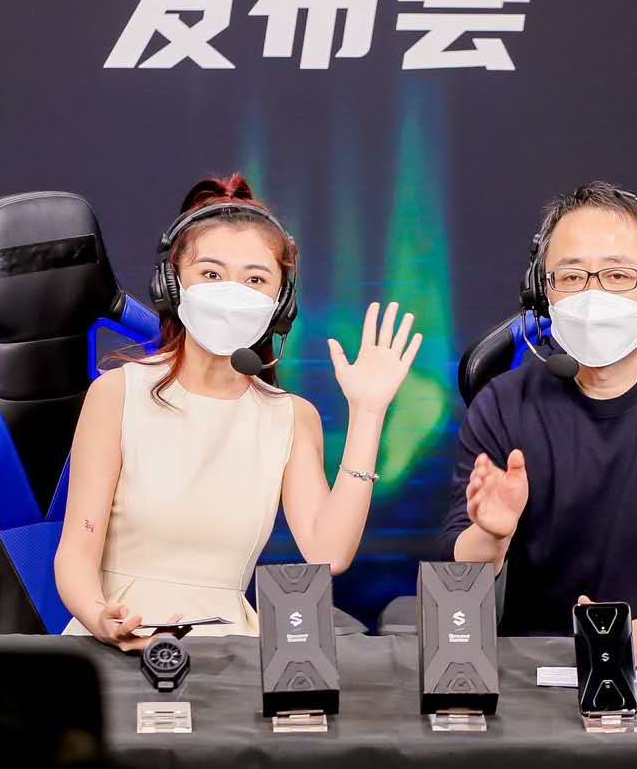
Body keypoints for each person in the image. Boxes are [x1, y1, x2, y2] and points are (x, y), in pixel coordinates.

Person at [55, 174, 421, 649]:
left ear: (280, 304)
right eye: (211, 274)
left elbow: (329, 553)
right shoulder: (117, 393)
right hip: (113, 644)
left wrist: (368, 414)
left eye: (255, 279)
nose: (232, 292)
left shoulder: (291, 417)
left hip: (228, 651)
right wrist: (101, 617)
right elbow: (75, 554)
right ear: (171, 284)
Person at [440, 181, 637, 663]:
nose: (593, 295)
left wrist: (628, 641)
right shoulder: (503, 403)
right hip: (538, 662)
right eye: (571, 277)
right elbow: (456, 567)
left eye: (618, 275)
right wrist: (491, 536)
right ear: (542, 292)